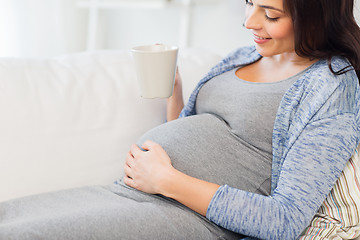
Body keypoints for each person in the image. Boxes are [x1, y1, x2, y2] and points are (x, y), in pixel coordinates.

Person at [1, 0, 359, 239]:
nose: (249, 21)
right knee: (10, 218)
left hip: (186, 218)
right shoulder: (242, 56)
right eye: (250, 3)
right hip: (126, 192)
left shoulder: (331, 86)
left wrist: (165, 180)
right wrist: (176, 98)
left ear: (316, 16)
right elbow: (203, 132)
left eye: (271, 14)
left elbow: (284, 219)